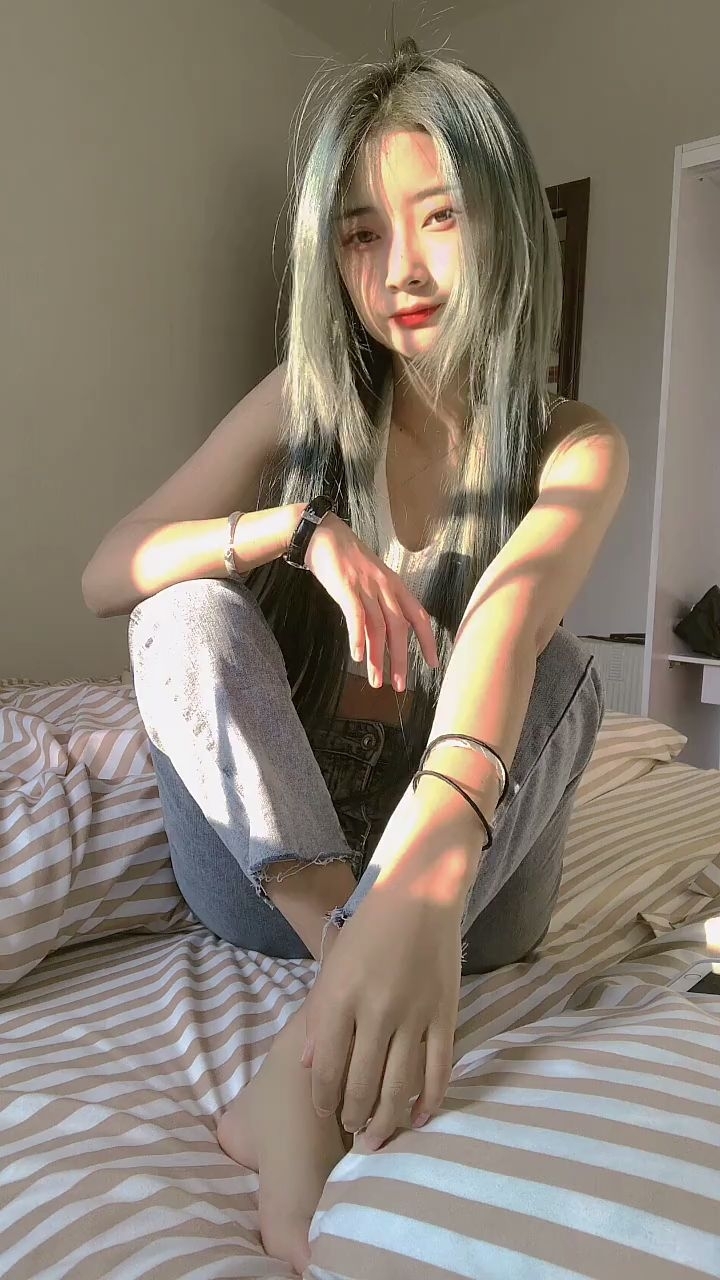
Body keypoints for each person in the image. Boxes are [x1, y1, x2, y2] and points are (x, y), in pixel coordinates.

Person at [82, 34, 627, 1276]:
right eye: (360, 234)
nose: (400, 270)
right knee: (180, 608)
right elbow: (109, 569)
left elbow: (511, 615)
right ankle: (347, 960)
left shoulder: (573, 441)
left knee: (568, 672)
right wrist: (297, 530)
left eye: (440, 217)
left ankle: (305, 1063)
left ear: (508, 225)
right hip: (276, 870)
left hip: (462, 885)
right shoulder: (307, 397)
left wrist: (417, 887)